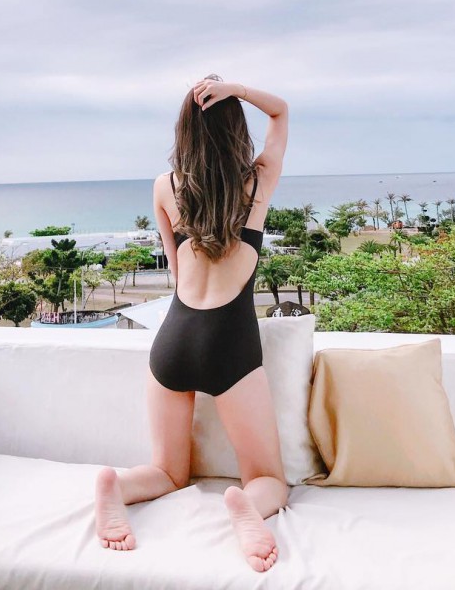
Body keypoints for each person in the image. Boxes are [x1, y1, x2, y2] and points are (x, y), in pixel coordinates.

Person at [94, 75, 290, 573]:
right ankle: (248, 506)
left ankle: (120, 486)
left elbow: (177, 274)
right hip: (230, 343)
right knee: (268, 477)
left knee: (167, 471)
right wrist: (237, 90)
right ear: (235, 124)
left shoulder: (166, 186)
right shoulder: (257, 180)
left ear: (184, 129)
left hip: (174, 341)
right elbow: (281, 111)